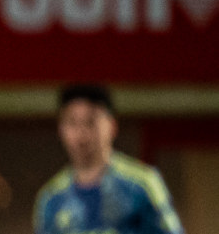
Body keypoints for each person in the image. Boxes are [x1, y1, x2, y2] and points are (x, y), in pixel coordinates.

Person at [34, 84, 184, 234]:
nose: (81, 134)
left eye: (90, 122)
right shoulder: (52, 198)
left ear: (111, 125)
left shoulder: (141, 184)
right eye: (72, 123)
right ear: (61, 129)